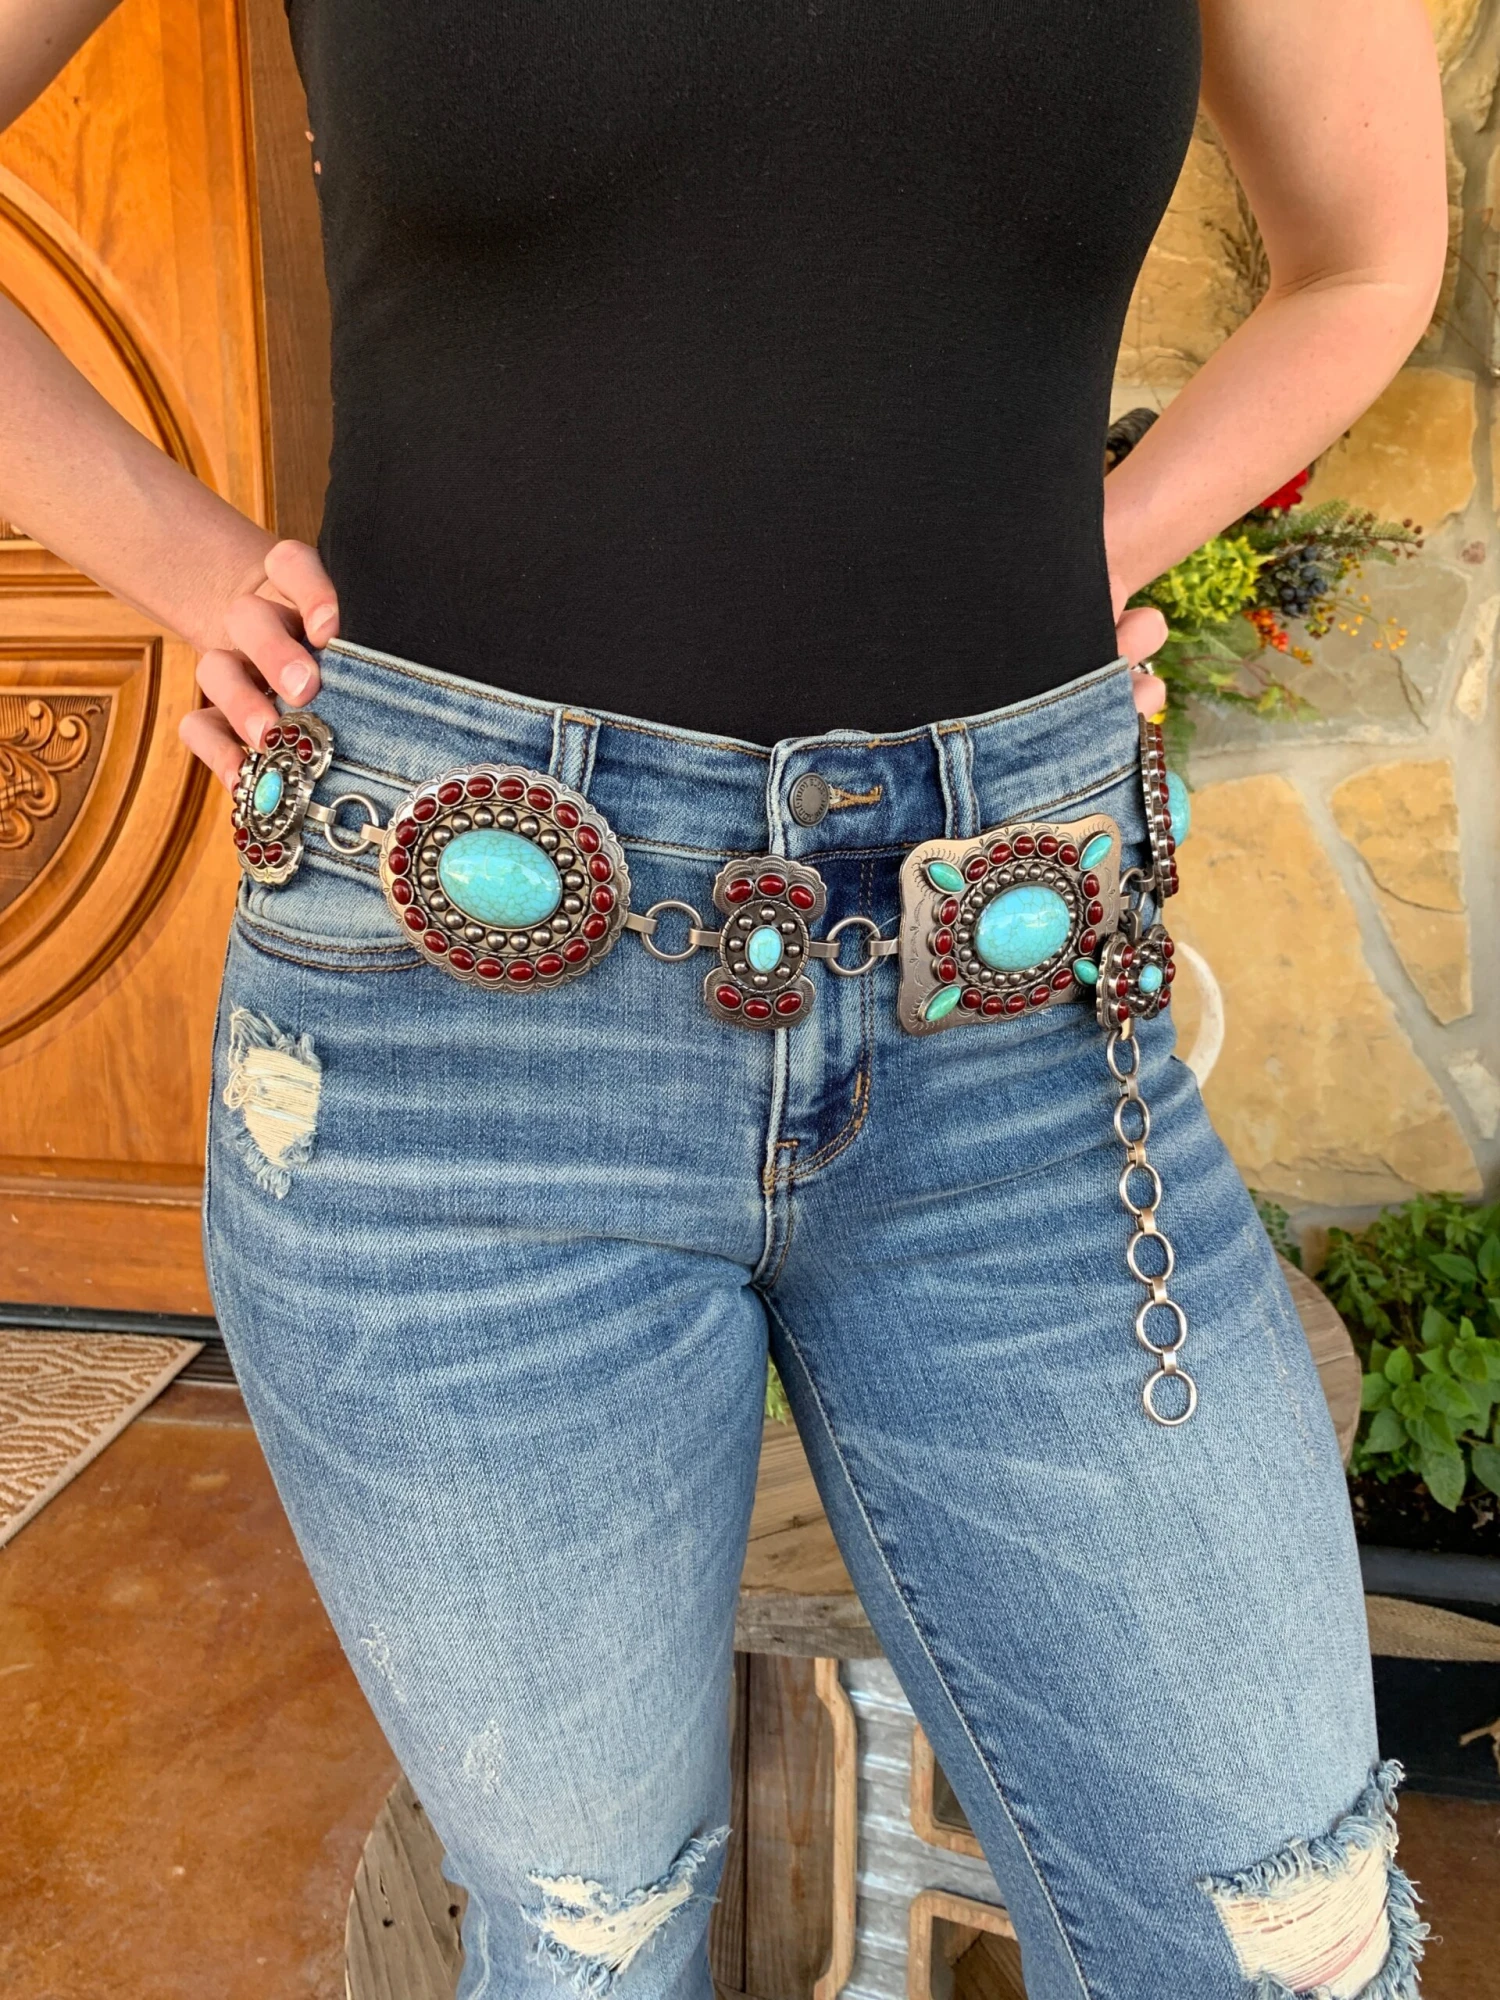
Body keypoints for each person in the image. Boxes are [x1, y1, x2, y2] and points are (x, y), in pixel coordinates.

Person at [0, 4, 1448, 1995]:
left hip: (1012, 1014)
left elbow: (1367, 255)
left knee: (1284, 1937)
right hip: (457, 1027)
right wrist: (185, 559)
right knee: (591, 1944)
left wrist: (1083, 545)